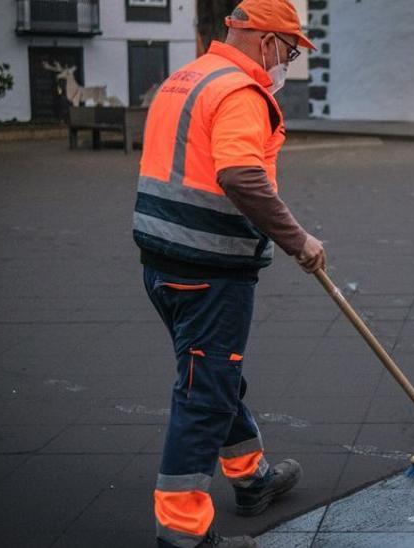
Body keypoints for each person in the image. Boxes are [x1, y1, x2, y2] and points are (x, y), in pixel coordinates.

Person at [131, 0, 325, 546]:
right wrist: (298, 241)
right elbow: (241, 175)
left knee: (213, 376)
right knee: (205, 393)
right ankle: (183, 532)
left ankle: (251, 477)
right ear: (265, 41)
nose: (286, 61)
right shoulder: (240, 91)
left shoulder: (186, 77)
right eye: (288, 50)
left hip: (162, 261)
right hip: (208, 269)